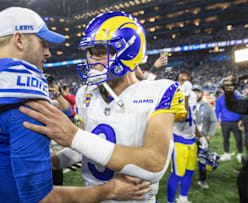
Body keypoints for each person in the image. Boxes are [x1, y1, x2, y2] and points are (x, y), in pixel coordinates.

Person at [0, 7, 152, 203]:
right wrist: (110, 190)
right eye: (43, 43)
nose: (47, 53)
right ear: (19, 39)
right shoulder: (16, 81)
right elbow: (41, 198)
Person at [19, 11, 187, 203]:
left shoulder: (161, 91)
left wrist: (73, 136)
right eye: (91, 52)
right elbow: (85, 146)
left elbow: (154, 164)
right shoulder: (86, 93)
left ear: (129, 50)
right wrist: (56, 161)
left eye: (101, 51)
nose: (92, 60)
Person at [166, 72, 204, 203]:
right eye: (182, 81)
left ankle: (183, 198)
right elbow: (182, 118)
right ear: (177, 82)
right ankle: (170, 201)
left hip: (191, 139)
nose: (185, 83)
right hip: (179, 139)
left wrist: (201, 137)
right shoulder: (174, 95)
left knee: (189, 172)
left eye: (187, 81)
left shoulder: (193, 95)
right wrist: (185, 95)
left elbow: (191, 119)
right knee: (177, 174)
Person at [193, 85, 217, 189]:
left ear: (201, 93)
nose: (196, 94)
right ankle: (182, 178)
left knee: (203, 160)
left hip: (203, 138)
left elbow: (213, 122)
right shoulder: (187, 105)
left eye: (198, 91)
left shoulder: (208, 107)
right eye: (194, 91)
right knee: (185, 160)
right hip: (189, 138)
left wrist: (209, 135)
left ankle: (202, 180)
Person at [216, 82, 243, 162]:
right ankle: (226, 154)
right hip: (225, 122)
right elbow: (217, 111)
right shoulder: (220, 99)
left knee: (239, 139)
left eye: (231, 86)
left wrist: (241, 120)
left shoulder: (238, 97)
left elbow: (242, 110)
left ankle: (240, 154)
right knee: (225, 139)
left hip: (236, 122)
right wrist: (217, 121)